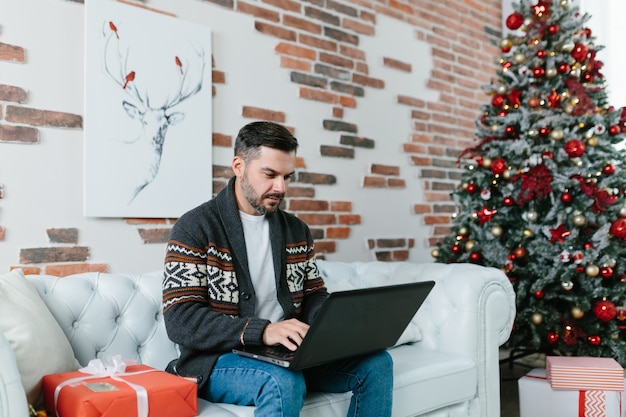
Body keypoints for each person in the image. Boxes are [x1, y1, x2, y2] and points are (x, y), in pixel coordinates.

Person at [162, 121, 393, 417]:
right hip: (219, 359)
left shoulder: (296, 231)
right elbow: (180, 319)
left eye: (287, 177)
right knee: (281, 380)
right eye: (270, 175)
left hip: (288, 352)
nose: (280, 188)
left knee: (377, 364)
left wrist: (330, 325)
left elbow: (314, 295)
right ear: (239, 166)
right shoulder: (196, 227)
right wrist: (264, 331)